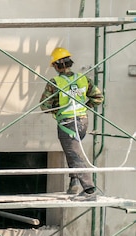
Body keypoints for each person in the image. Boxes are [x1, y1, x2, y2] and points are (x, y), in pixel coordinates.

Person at [39, 47, 104, 199]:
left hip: (67, 124)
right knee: (72, 151)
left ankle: (89, 189)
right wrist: (84, 107)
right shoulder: (83, 78)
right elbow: (98, 98)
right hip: (82, 121)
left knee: (74, 154)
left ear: (55, 66)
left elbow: (44, 106)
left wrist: (57, 110)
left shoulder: (55, 82)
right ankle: (74, 183)